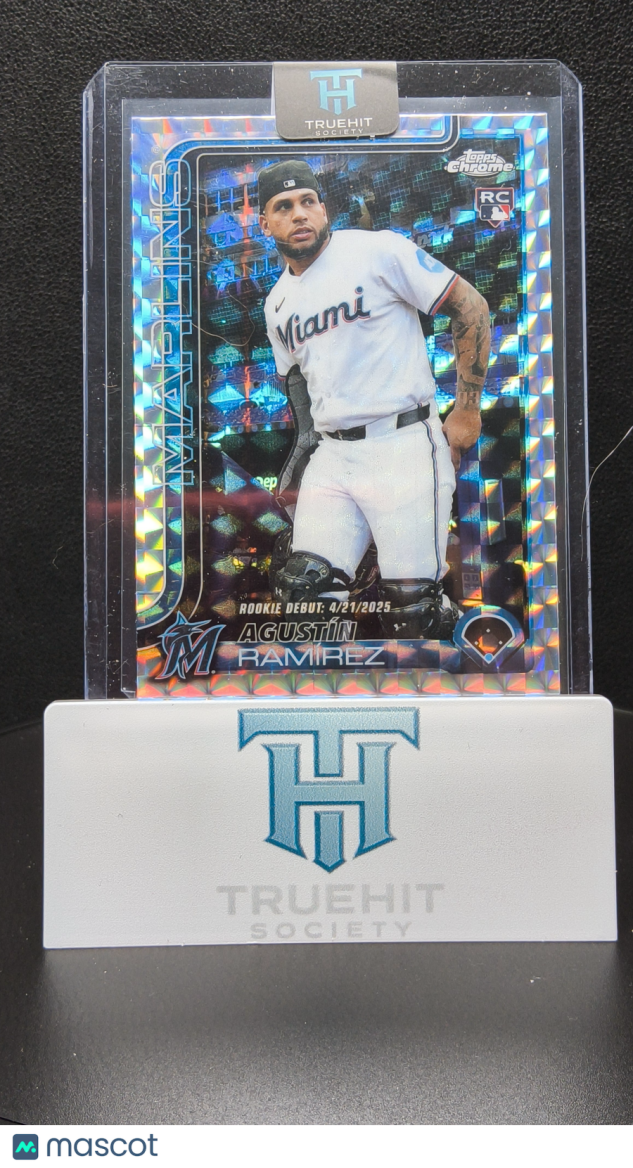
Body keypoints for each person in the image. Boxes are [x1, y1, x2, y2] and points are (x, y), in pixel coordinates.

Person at [259, 159, 490, 639]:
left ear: (324, 209)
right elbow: (299, 385)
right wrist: (301, 450)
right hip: (334, 455)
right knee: (304, 597)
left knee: (412, 611)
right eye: (283, 206)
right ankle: (330, 689)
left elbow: (471, 307)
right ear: (266, 224)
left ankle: (473, 662)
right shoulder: (276, 302)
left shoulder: (378, 250)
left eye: (307, 201)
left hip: (402, 442)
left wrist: (467, 409)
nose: (299, 213)